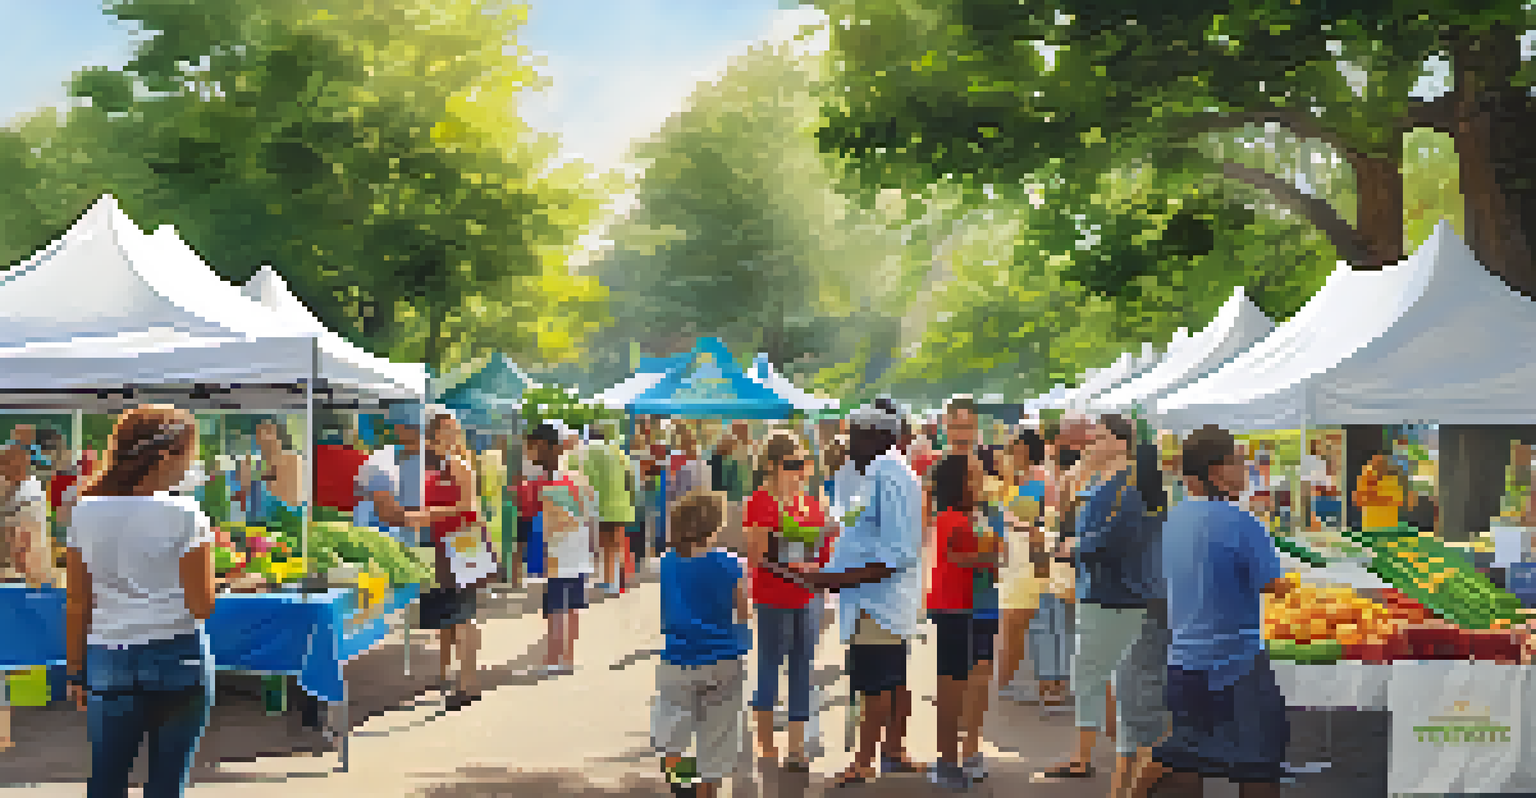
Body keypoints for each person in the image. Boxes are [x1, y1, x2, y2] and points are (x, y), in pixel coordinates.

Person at [1131, 425, 1292, 798]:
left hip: (1183, 663)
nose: (1246, 468)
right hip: (1237, 665)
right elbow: (1271, 584)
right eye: (1238, 460)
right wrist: (1290, 583)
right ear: (1216, 471)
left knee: (1188, 760)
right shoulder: (1242, 522)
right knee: (1259, 768)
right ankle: (1139, 782)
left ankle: (1140, 781)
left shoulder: (1173, 520)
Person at [64, 406, 216, 798]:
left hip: (108, 659)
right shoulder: (186, 513)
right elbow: (202, 606)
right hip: (177, 655)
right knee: (166, 784)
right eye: (189, 453)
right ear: (166, 455)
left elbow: (78, 601)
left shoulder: (84, 511)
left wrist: (75, 672)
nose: (192, 464)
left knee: (106, 780)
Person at [1038, 414, 1166, 797]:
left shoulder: (1129, 485)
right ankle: (1116, 756)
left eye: (1101, 435)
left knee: (1105, 676)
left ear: (1122, 443)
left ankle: (1118, 757)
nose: (1091, 440)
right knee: (1100, 675)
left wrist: (1075, 546)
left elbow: (1119, 536)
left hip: (1116, 593)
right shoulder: (1107, 480)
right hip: (1104, 590)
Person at [799, 401, 925, 788]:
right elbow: (861, 532)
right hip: (872, 600)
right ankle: (891, 751)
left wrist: (833, 580)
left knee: (874, 687)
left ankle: (865, 761)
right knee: (891, 680)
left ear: (880, 436)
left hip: (877, 602)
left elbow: (898, 553)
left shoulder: (891, 477)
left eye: (857, 434)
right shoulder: (877, 472)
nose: (849, 441)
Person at [743, 430, 832, 770]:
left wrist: (821, 556)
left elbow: (822, 551)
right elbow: (755, 554)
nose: (800, 470)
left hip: (807, 595)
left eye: (804, 463)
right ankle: (766, 748)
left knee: (802, 669)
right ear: (772, 466)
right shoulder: (760, 501)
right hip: (772, 594)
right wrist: (787, 560)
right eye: (793, 463)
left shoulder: (811, 503)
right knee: (768, 666)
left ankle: (796, 749)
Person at [653, 491, 751, 798]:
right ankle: (706, 793)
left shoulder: (668, 562)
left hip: (677, 657)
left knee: (671, 735)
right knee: (716, 739)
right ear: (714, 527)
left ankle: (682, 787)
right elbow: (743, 611)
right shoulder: (731, 564)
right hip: (722, 658)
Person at [925, 453, 998, 790]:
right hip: (953, 607)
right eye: (971, 476)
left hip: (967, 607)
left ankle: (953, 758)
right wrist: (987, 555)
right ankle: (946, 760)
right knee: (951, 685)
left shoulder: (964, 516)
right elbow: (956, 557)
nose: (980, 479)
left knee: (960, 681)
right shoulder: (951, 519)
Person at [421, 409, 485, 711]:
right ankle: (452, 675)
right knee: (451, 614)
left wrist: (429, 514)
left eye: (453, 430)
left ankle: (469, 683)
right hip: (446, 545)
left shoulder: (458, 465)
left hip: (462, 543)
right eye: (444, 430)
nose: (449, 435)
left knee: (463, 615)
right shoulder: (438, 465)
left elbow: (469, 507)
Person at [524, 421, 597, 674]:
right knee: (572, 608)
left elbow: (552, 522)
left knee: (557, 608)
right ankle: (567, 657)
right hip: (578, 552)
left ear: (545, 446)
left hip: (558, 554)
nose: (529, 454)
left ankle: (555, 658)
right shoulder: (577, 476)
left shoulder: (551, 480)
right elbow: (590, 512)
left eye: (531, 448)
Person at [0, 442, 54, 752]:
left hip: (24, 579)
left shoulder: (26, 496)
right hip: (27, 578)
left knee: (13, 651)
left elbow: (21, 544)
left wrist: (18, 570)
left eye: (5, 466)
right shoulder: (24, 492)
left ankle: (5, 731)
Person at [997, 428, 1047, 703]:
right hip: (1017, 559)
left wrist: (1041, 569)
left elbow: (1033, 525)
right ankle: (1008, 681)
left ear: (1026, 449)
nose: (1010, 451)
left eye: (1014, 446)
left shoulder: (1037, 476)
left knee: (1017, 622)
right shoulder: (1022, 477)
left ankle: (1011, 681)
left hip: (1027, 558)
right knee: (1013, 623)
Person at [355, 405, 432, 546]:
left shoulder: (427, 462)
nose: (425, 438)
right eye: (415, 430)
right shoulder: (380, 462)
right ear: (399, 429)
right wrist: (446, 516)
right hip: (376, 542)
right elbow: (387, 513)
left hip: (411, 542)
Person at [575, 427, 633, 597]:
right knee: (618, 544)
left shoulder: (585, 454)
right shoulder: (618, 452)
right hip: (622, 503)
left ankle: (610, 582)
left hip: (600, 506)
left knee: (605, 546)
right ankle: (620, 582)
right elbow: (630, 477)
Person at [237, 418, 303, 527]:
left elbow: (288, 498)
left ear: (279, 437)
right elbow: (243, 499)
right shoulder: (255, 463)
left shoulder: (292, 459)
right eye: (259, 434)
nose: (263, 437)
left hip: (285, 520)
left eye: (268, 432)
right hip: (257, 522)